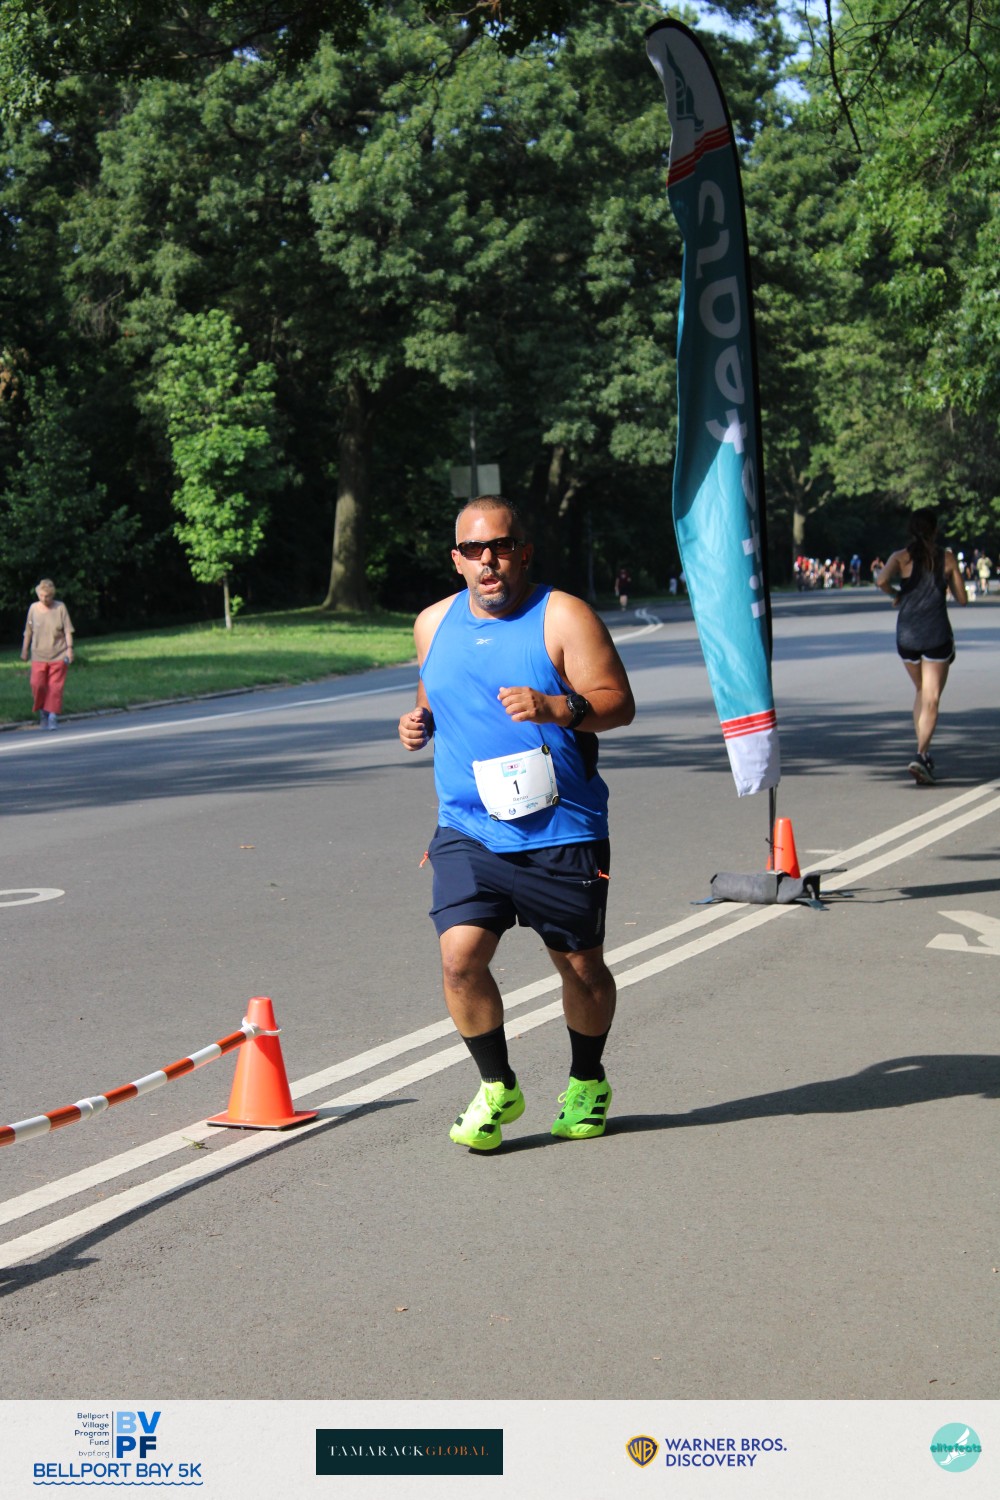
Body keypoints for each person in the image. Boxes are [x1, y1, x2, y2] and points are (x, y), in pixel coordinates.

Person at [398, 496, 635, 1151]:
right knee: (459, 960)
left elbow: (618, 704)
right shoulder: (431, 624)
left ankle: (587, 1080)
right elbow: (434, 694)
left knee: (580, 967)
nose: (489, 562)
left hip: (562, 828)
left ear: (522, 552)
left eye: (500, 547)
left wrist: (558, 707)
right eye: (474, 551)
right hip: (468, 827)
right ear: (457, 560)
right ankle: (497, 1084)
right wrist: (418, 723)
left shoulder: (562, 616)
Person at [876, 510, 966, 784]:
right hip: (936, 635)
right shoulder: (946, 558)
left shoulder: (900, 557)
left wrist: (897, 594)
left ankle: (924, 757)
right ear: (935, 530)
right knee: (931, 697)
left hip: (907, 636)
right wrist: (947, 584)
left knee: (921, 691)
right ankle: (920, 753)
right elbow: (962, 598)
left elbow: (881, 580)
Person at [21, 578, 74, 731]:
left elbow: (67, 630)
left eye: (48, 596)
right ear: (38, 594)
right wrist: (24, 649)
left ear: (53, 595)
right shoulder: (33, 609)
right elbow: (28, 630)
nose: (45, 599)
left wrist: (69, 649)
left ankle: (52, 716)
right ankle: (43, 710)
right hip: (38, 655)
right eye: (42, 596)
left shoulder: (60, 608)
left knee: (55, 687)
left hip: (58, 654)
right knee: (37, 685)